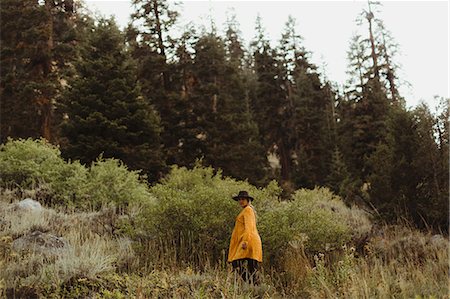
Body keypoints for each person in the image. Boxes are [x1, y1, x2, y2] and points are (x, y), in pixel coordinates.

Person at [227, 190, 262, 285]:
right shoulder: (246, 210)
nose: (241, 201)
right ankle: (253, 286)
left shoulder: (248, 210)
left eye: (243, 199)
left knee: (236, 263)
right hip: (249, 240)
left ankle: (253, 285)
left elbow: (249, 227)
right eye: (239, 199)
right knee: (251, 267)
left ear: (247, 200)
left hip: (249, 241)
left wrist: (245, 241)